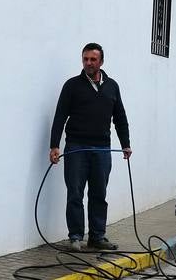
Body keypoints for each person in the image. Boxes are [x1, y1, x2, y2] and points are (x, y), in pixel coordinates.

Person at [49, 43, 132, 251]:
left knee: (99, 194)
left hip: (102, 149)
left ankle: (97, 237)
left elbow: (120, 117)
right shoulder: (72, 86)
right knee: (75, 193)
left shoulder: (112, 86)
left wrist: (126, 144)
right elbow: (60, 116)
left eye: (93, 59)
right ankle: (76, 237)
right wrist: (54, 146)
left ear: (101, 62)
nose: (88, 63)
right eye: (85, 59)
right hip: (76, 147)